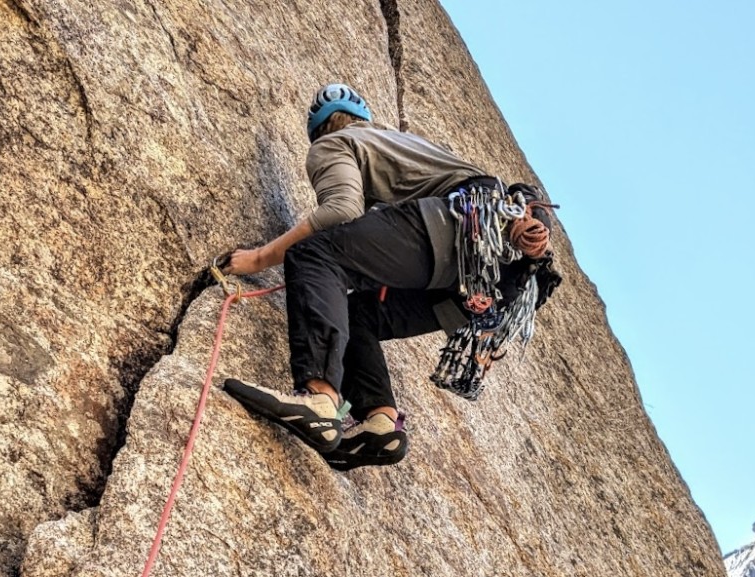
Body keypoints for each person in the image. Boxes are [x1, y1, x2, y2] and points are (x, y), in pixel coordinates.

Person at [222, 83, 557, 471]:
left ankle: (319, 398)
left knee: (315, 254)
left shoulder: (336, 143)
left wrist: (259, 258)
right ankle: (380, 423)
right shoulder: (410, 149)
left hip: (458, 228)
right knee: (357, 316)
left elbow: (341, 210)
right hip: (495, 287)